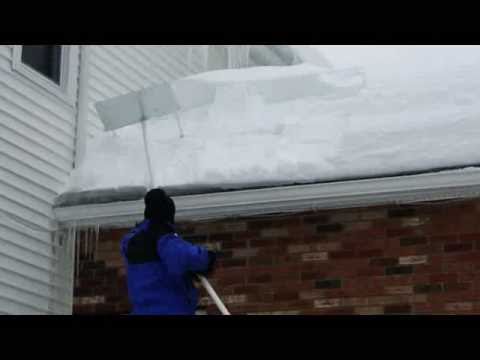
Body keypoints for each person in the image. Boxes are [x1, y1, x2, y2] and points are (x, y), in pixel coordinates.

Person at [120, 188, 216, 315]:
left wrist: (185, 270)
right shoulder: (162, 237)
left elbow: (158, 266)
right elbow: (186, 256)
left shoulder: (132, 239)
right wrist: (208, 257)